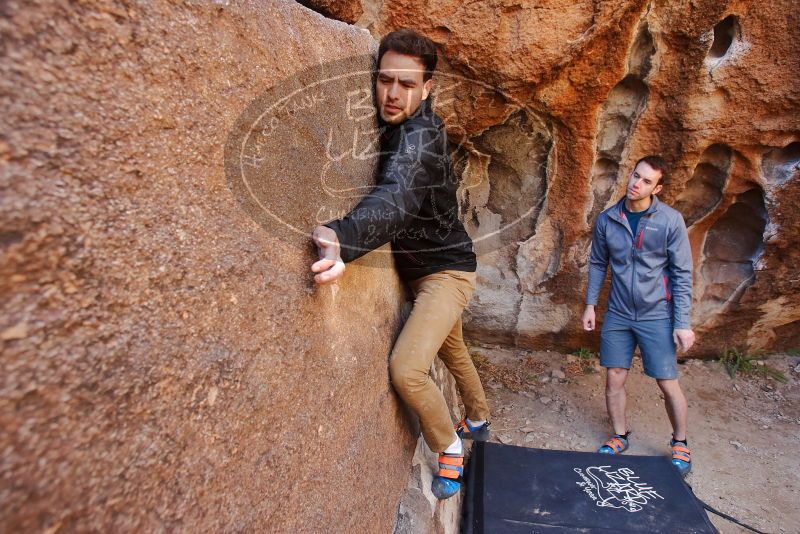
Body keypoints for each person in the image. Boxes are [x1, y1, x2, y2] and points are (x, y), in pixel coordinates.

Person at [310, 29, 491, 499]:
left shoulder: (422, 135)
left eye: (407, 85)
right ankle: (479, 416)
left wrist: (344, 237)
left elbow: (398, 196)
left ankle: (450, 446)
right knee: (453, 350)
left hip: (446, 274)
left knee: (408, 367)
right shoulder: (401, 126)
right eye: (385, 80)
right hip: (425, 273)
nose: (392, 94)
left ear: (428, 88)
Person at [582, 155, 696, 476]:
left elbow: (682, 274)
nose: (636, 184)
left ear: (657, 188)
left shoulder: (670, 221)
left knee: (666, 381)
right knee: (614, 377)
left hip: (656, 314)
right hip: (618, 312)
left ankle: (680, 442)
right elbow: (597, 264)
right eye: (635, 176)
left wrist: (682, 322)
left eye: (646, 181)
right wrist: (591, 305)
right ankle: (619, 435)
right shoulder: (608, 219)